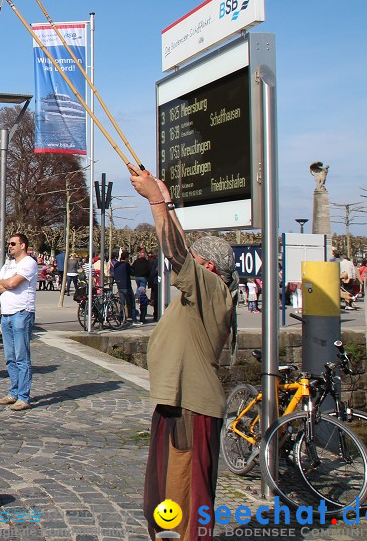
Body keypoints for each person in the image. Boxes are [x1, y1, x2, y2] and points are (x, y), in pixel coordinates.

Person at [129, 166, 237, 541]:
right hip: (177, 400)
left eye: (196, 259)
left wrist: (154, 201)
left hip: (192, 405)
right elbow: (182, 248)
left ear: (207, 268)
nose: (188, 263)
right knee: (163, 500)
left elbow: (176, 253)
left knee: (185, 499)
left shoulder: (213, 290)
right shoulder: (204, 290)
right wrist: (166, 198)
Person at [0, 233, 38, 411]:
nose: (9, 246)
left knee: (21, 357)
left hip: (21, 313)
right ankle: (14, 392)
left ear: (23, 245)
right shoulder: (8, 264)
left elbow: (12, 283)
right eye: (8, 243)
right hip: (6, 313)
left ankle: (24, 396)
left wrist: (6, 283)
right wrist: (6, 282)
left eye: (12, 243)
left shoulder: (29, 263)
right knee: (10, 357)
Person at [113, 250, 136, 325]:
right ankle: (133, 319)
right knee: (131, 302)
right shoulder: (126, 265)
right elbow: (133, 273)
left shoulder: (116, 265)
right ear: (126, 258)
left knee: (122, 303)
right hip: (126, 286)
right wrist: (130, 265)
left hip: (119, 286)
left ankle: (121, 318)